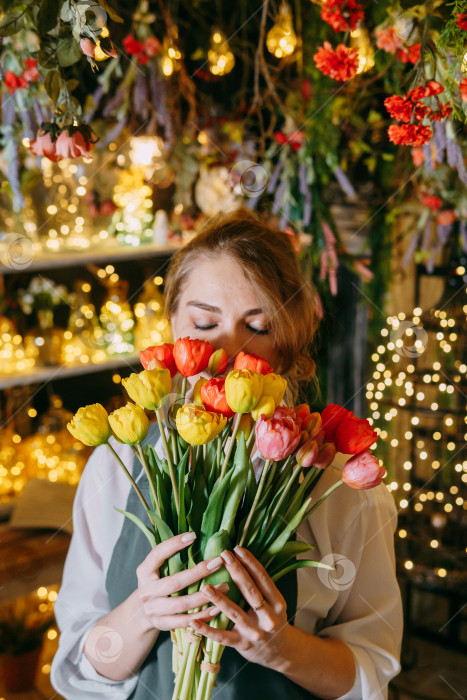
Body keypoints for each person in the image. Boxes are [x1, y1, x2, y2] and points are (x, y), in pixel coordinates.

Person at [51, 208, 403, 700]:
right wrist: (143, 612)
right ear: (173, 326)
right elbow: (79, 671)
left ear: (288, 349)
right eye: (203, 322)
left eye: (258, 327)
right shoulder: (118, 466)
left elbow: (370, 673)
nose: (229, 353)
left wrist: (283, 649)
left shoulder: (342, 490)